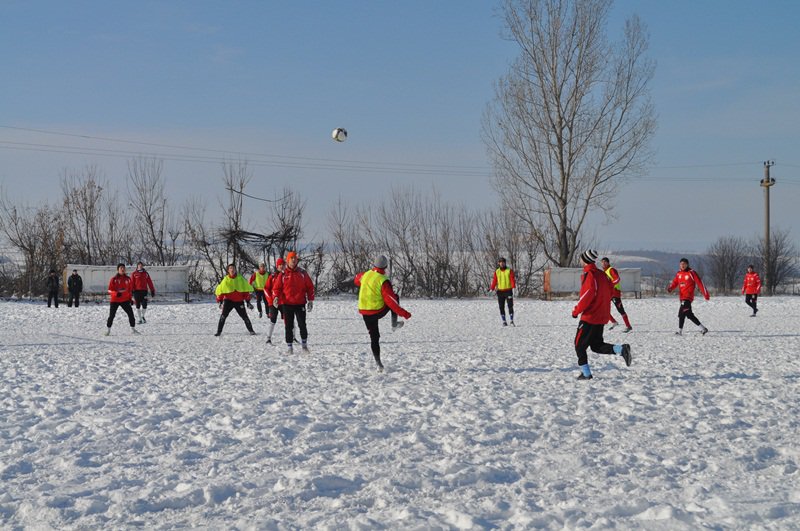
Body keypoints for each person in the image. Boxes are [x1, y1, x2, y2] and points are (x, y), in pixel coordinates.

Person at [571, 249, 631, 380]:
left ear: (585, 260)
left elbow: (587, 295)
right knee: (596, 346)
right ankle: (621, 349)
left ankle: (586, 374)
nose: (580, 260)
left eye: (581, 258)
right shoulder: (601, 274)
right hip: (601, 316)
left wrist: (576, 311)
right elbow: (610, 291)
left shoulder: (590, 274)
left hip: (590, 317)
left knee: (579, 345)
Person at [354, 254, 412, 371]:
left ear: (374, 264)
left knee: (374, 338)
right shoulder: (383, 280)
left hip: (365, 312)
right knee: (395, 297)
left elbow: (356, 279)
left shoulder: (365, 275)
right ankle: (394, 324)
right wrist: (405, 313)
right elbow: (391, 302)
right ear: (385, 267)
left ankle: (378, 363)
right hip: (377, 311)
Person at [271, 251, 314, 352]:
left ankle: (304, 345)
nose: (293, 260)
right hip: (287, 304)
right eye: (291, 258)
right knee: (288, 326)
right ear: (288, 260)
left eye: (295, 258)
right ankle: (289, 347)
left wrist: (310, 299)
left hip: (300, 303)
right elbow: (276, 288)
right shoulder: (282, 274)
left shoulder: (302, 273)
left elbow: (310, 287)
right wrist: (276, 297)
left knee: (302, 324)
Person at [667, 257, 710, 335]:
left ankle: (680, 331)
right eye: (681, 264)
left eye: (684, 264)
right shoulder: (679, 273)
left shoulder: (692, 273)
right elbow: (675, 282)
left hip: (688, 297)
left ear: (687, 265)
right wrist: (670, 288)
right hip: (682, 297)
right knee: (685, 314)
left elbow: (700, 283)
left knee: (683, 313)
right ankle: (703, 329)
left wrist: (706, 294)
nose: (682, 265)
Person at [214, 263, 256, 336]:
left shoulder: (240, 279)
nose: (232, 270)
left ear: (235, 269)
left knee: (245, 317)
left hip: (239, 301)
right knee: (223, 316)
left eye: (233, 268)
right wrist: (220, 301)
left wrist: (248, 302)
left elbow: (245, 290)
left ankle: (251, 331)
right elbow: (221, 291)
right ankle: (218, 332)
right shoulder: (226, 279)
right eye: (230, 268)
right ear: (228, 270)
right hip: (228, 301)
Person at [600, 257, 632, 332]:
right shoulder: (604, 272)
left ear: (608, 263)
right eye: (602, 262)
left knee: (620, 310)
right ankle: (614, 322)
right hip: (608, 293)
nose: (603, 263)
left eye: (605, 262)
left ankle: (628, 326)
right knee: (603, 309)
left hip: (615, 293)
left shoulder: (611, 270)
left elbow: (617, 279)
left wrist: (611, 285)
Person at [105, 263, 139, 336]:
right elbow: (109, 290)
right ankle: (108, 330)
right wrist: (116, 293)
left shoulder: (128, 279)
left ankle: (133, 329)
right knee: (112, 316)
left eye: (123, 268)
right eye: (121, 268)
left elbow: (129, 291)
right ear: (118, 270)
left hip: (125, 300)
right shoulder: (113, 279)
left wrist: (130, 299)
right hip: (115, 300)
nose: (123, 269)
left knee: (131, 314)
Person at [263, 257, 285, 344]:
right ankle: (269, 338)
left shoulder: (287, 275)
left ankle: (293, 337)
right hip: (273, 302)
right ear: (277, 266)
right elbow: (266, 289)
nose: (281, 266)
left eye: (283, 265)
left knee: (289, 319)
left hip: (284, 302)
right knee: (273, 319)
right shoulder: (272, 276)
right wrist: (271, 300)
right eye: (280, 265)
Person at [489, 257, 516, 326]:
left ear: (505, 263)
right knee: (501, 306)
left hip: (508, 291)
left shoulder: (509, 270)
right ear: (499, 263)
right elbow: (495, 281)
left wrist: (514, 288)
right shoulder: (497, 271)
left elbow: (512, 279)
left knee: (510, 306)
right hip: (500, 292)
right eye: (500, 262)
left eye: (503, 262)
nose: (502, 263)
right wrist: (491, 288)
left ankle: (511, 320)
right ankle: (504, 321)